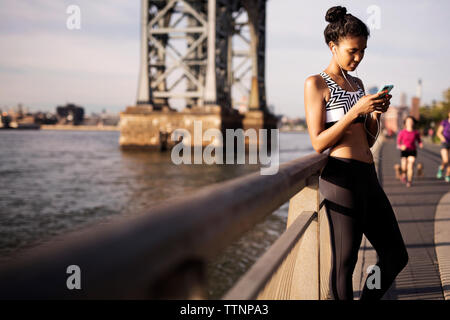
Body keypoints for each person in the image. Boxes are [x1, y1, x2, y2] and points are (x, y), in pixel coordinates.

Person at [304, 6, 408, 300]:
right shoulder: (316, 84)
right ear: (333, 46)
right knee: (345, 264)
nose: (358, 57)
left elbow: (368, 140)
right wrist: (355, 112)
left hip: (367, 175)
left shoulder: (358, 84)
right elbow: (318, 142)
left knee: (395, 255)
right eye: (352, 50)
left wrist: (374, 114)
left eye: (362, 50)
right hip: (340, 179)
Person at [396, 116, 423, 187]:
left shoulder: (416, 132)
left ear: (413, 123)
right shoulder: (402, 132)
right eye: (408, 121)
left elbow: (419, 140)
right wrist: (401, 146)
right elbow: (398, 143)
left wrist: (420, 144)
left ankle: (409, 181)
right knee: (404, 166)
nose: (410, 123)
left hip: (412, 150)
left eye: (411, 121)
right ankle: (403, 174)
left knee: (410, 165)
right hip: (404, 151)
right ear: (405, 123)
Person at [436, 111, 450, 182]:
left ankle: (447, 175)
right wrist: (442, 138)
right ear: (449, 114)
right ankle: (441, 168)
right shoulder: (445, 122)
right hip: (445, 143)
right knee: (446, 160)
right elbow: (438, 132)